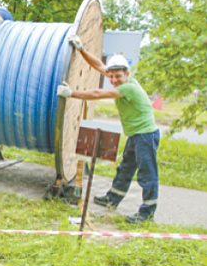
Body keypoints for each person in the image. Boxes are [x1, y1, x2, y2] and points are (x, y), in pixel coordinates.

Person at [57, 34, 159, 224]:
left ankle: (148, 211)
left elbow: (97, 93)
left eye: (118, 76)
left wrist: (71, 93)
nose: (114, 80)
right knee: (125, 169)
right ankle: (113, 199)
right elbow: (97, 65)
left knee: (147, 173)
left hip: (145, 135)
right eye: (111, 76)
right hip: (136, 135)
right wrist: (81, 49)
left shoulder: (128, 87)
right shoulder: (118, 77)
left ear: (127, 74)